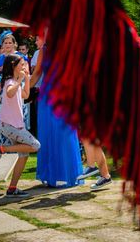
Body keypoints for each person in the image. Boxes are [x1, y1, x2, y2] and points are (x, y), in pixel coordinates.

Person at [31, 37, 83, 187]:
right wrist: (23, 90)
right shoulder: (45, 50)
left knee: (60, 133)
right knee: (54, 134)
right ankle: (59, 175)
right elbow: (36, 74)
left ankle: (63, 175)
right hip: (53, 95)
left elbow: (36, 75)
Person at [0, 54, 40, 197]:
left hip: (16, 125)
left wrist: (26, 78)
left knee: (24, 155)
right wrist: (20, 80)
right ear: (13, 66)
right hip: (10, 126)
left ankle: (12, 188)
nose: (23, 66)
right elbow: (10, 93)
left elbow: (26, 95)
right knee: (35, 145)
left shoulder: (15, 82)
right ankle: (3, 149)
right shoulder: (10, 82)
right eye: (21, 64)